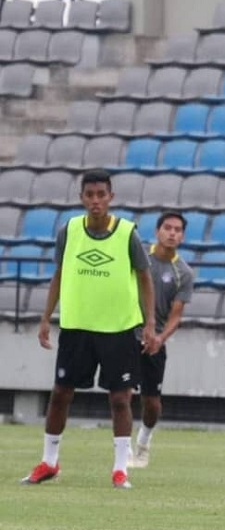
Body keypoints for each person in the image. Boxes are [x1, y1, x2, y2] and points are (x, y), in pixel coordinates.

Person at [21, 169, 156, 489]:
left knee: (120, 399)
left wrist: (149, 322)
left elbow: (144, 277)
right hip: (77, 327)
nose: (95, 201)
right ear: (81, 198)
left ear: (111, 198)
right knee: (59, 395)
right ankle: (49, 462)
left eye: (101, 195)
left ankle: (120, 468)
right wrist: (45, 317)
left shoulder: (127, 233)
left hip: (118, 329)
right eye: (89, 195)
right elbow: (59, 274)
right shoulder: (69, 231)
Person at [129, 212, 194, 468]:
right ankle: (122, 453)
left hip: (155, 343)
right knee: (120, 395)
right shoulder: (140, 259)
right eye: (167, 228)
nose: (172, 233)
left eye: (177, 230)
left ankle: (143, 445)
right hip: (127, 335)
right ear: (157, 231)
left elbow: (175, 316)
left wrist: (159, 338)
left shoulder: (183, 273)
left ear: (183, 236)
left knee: (151, 402)